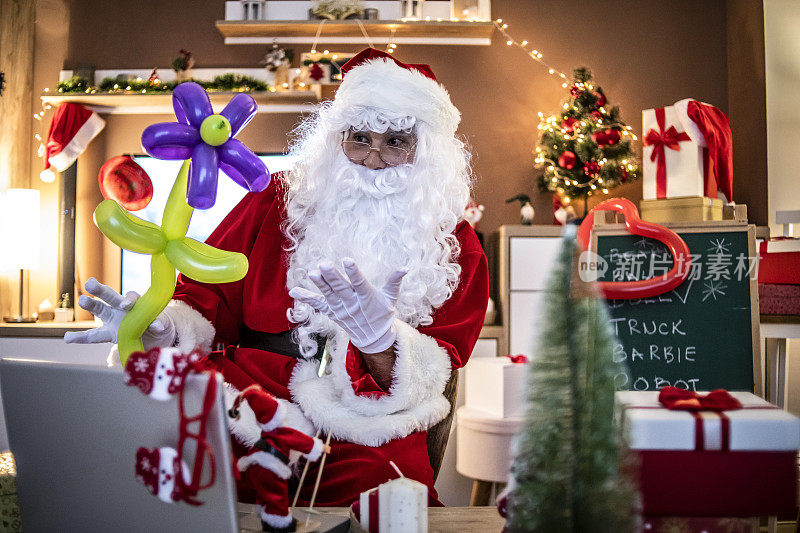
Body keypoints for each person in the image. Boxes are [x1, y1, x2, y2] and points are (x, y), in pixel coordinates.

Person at [67, 48, 489, 510]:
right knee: (163, 464)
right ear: (336, 139)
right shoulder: (276, 197)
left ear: (425, 150)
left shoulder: (455, 247)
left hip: (363, 419)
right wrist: (163, 326)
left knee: (384, 493)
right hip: (248, 389)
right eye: (360, 138)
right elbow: (205, 289)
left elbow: (431, 379)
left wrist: (380, 343)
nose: (372, 160)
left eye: (395, 142)